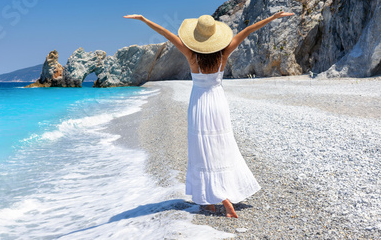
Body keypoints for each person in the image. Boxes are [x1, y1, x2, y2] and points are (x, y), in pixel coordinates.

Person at [123, 11, 294, 217]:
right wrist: (273, 17)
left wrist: (144, 20)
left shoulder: (191, 55)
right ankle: (219, 198)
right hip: (218, 103)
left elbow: (167, 34)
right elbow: (248, 30)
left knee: (202, 150)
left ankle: (216, 199)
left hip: (199, 104)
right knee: (221, 147)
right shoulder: (224, 53)